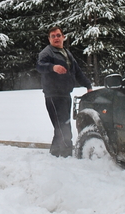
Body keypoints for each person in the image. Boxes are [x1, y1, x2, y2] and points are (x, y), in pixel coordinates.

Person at [36, 25, 93, 157]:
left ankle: (56, 152)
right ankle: (67, 153)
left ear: (63, 37)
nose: (56, 38)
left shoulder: (67, 53)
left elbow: (77, 72)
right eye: (53, 36)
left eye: (58, 35)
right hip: (53, 95)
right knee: (63, 125)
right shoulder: (47, 52)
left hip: (65, 94)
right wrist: (53, 67)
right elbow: (39, 66)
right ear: (49, 39)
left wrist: (88, 85)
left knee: (61, 125)